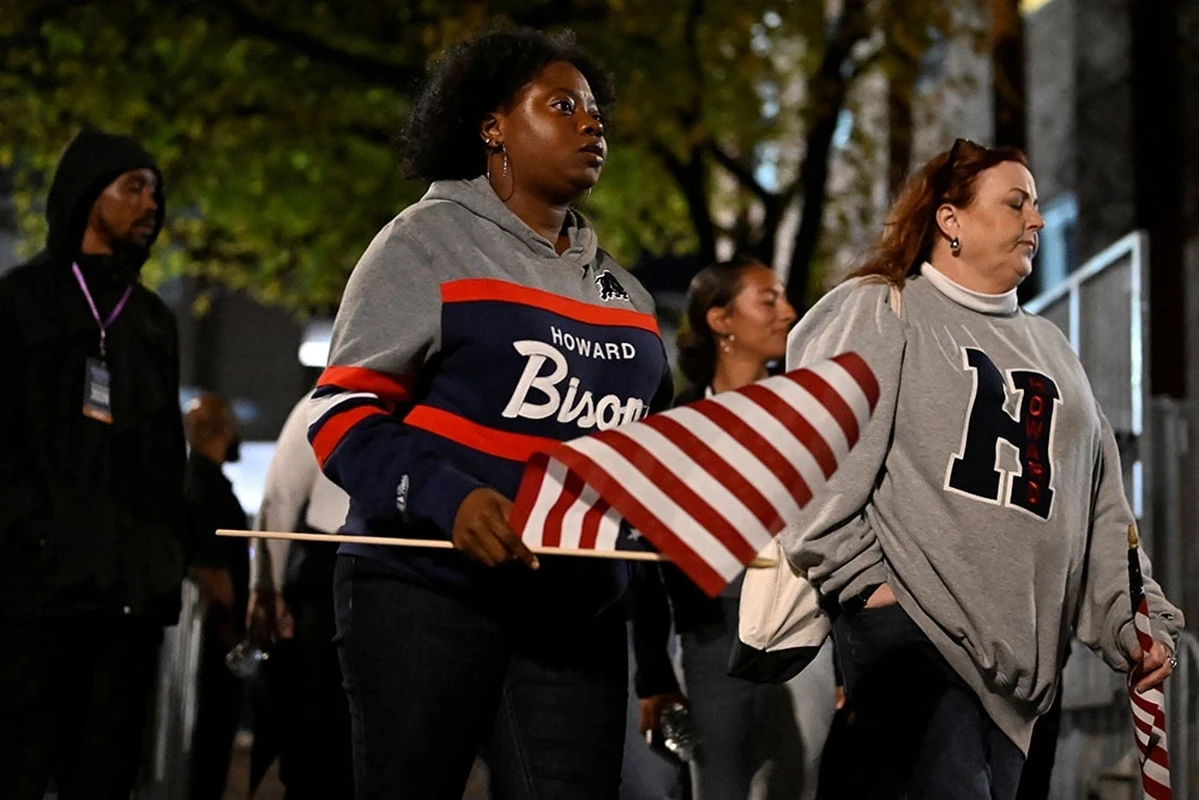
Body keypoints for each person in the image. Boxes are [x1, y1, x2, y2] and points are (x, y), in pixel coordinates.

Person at [307, 28, 673, 798]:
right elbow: (340, 414)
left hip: (574, 613)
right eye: (562, 105)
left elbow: (643, 456)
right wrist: (450, 497)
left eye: (596, 111)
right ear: (491, 127)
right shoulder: (422, 243)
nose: (591, 124)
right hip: (421, 591)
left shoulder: (631, 297)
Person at [781, 138, 1184, 799]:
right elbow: (811, 463)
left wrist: (1135, 622)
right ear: (950, 220)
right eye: (1015, 203)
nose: (1037, 220)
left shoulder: (1052, 347)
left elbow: (1101, 511)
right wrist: (870, 595)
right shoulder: (883, 308)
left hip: (1029, 684)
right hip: (919, 649)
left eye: (1033, 206)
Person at [0, 127, 189, 798]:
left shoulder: (152, 321)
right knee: (19, 761)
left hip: (130, 601)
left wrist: (170, 561)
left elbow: (169, 454)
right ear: (86, 194)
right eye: (133, 187)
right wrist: (35, 534)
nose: (151, 204)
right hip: (37, 596)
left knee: (107, 774)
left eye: (157, 192)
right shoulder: (22, 300)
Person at [633, 256, 814, 799]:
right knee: (719, 787)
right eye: (769, 299)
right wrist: (654, 678)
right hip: (711, 635)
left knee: (801, 781)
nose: (789, 312)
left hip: (802, 628)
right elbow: (645, 561)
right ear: (720, 320)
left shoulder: (809, 413)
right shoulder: (675, 429)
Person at [247, 391, 353, 798]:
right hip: (338, 581)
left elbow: (279, 496)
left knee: (319, 728)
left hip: (327, 581)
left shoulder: (326, 400)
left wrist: (265, 586)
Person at [184, 393, 250, 800]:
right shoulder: (208, 490)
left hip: (206, 639)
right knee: (209, 747)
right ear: (222, 430)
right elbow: (215, 575)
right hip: (213, 642)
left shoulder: (195, 482)